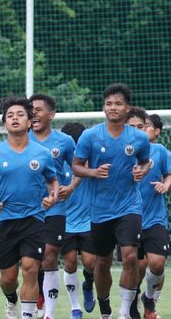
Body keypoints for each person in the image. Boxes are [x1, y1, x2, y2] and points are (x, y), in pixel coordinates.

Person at [72, 84, 152, 319]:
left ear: (127, 108)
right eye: (109, 103)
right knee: (102, 261)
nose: (113, 107)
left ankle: (124, 311)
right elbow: (76, 165)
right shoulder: (90, 136)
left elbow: (145, 162)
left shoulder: (138, 137)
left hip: (130, 206)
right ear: (103, 107)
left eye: (118, 103)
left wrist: (142, 170)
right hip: (100, 210)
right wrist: (93, 172)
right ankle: (104, 306)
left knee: (130, 257)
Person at [0, 96, 59, 319]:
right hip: (4, 220)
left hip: (34, 218)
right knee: (8, 278)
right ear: (4, 123)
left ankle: (28, 315)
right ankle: (11, 298)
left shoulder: (42, 153)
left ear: (30, 121)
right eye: (10, 116)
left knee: (31, 269)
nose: (15, 118)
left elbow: (52, 180)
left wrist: (53, 196)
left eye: (20, 115)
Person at [126, 109, 171, 319]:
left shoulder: (159, 151)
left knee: (157, 263)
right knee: (135, 267)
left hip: (154, 219)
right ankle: (132, 305)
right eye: (131, 127)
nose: (137, 131)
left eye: (142, 126)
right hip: (128, 219)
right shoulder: (121, 151)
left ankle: (149, 299)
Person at [29, 93, 78, 319]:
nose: (34, 114)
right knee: (29, 262)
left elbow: (79, 167)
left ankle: (48, 313)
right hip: (26, 209)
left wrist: (71, 187)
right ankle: (30, 300)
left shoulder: (64, 142)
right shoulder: (20, 139)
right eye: (31, 109)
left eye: (38, 109)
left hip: (55, 208)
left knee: (49, 255)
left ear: (51, 114)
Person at [58, 122, 98, 317]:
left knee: (91, 262)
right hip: (65, 220)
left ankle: (89, 282)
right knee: (70, 262)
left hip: (88, 220)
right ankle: (75, 307)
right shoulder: (58, 163)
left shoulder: (90, 162)